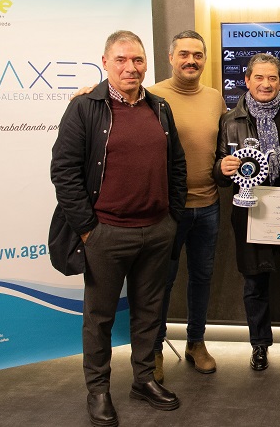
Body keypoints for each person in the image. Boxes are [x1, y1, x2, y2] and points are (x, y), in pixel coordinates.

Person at [49, 30, 186, 427]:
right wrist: (89, 229)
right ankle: (98, 390)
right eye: (122, 60)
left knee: (148, 313)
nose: (131, 67)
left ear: (146, 64)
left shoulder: (160, 108)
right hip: (106, 233)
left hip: (157, 230)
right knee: (100, 318)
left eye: (138, 60)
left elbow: (176, 165)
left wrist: (172, 217)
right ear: (105, 62)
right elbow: (65, 172)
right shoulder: (85, 108)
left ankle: (143, 380)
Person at [213, 53, 280, 372]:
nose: (266, 84)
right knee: (254, 284)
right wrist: (223, 167)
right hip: (251, 214)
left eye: (272, 78)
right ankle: (259, 345)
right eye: (258, 77)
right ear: (246, 80)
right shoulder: (229, 120)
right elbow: (217, 173)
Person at [149, 31, 227, 382]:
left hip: (209, 205)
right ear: (171, 57)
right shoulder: (150, 95)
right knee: (160, 281)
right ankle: (153, 349)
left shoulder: (215, 98)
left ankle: (196, 342)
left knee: (201, 278)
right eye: (184, 54)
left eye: (197, 54)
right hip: (167, 210)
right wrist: (88, 91)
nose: (191, 60)